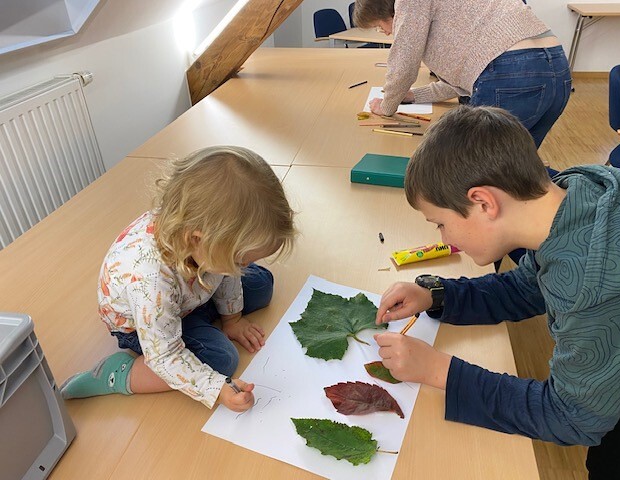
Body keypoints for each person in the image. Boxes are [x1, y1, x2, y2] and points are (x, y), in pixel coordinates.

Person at [374, 106, 620, 478]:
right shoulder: (576, 192)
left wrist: (439, 371)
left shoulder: (593, 278)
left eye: (440, 224)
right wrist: (436, 295)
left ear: (484, 202)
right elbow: (526, 288)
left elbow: (574, 417)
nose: (444, 238)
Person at [61, 146, 296, 413]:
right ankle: (119, 373)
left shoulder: (200, 235)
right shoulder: (149, 280)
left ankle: (210, 309)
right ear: (197, 239)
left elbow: (226, 272)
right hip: (143, 326)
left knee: (261, 284)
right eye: (240, 259)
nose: (243, 266)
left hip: (185, 294)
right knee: (221, 359)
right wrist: (216, 388)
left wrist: (233, 319)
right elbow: (164, 355)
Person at [353, 0, 572, 149]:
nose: (386, 33)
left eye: (379, 26)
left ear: (391, 11)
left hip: (512, 71)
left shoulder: (409, 3)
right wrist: (413, 96)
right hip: (557, 67)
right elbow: (466, 78)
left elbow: (404, 62)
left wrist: (387, 105)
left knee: (477, 169)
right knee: (517, 171)